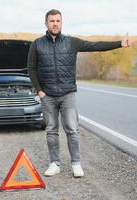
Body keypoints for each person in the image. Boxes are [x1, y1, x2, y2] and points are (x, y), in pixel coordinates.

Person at [27, 9, 130, 178]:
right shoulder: (37, 44)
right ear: (46, 23)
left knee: (72, 130)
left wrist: (120, 43)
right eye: (51, 21)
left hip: (67, 94)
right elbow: (31, 68)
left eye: (58, 21)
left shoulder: (71, 42)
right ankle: (54, 164)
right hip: (48, 96)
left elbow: (95, 46)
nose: (55, 23)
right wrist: (39, 91)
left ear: (61, 23)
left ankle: (76, 164)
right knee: (51, 130)